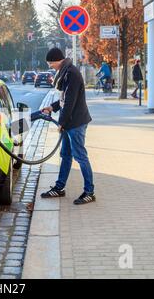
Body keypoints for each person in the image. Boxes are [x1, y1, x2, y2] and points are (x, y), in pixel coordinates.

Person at [40, 48, 96, 205]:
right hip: (70, 122)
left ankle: (89, 192)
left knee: (80, 156)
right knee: (65, 155)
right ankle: (59, 187)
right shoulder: (66, 72)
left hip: (76, 122)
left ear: (57, 60)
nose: (51, 66)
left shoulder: (71, 74)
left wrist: (61, 123)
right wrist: (52, 107)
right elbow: (65, 99)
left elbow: (70, 102)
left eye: (51, 63)